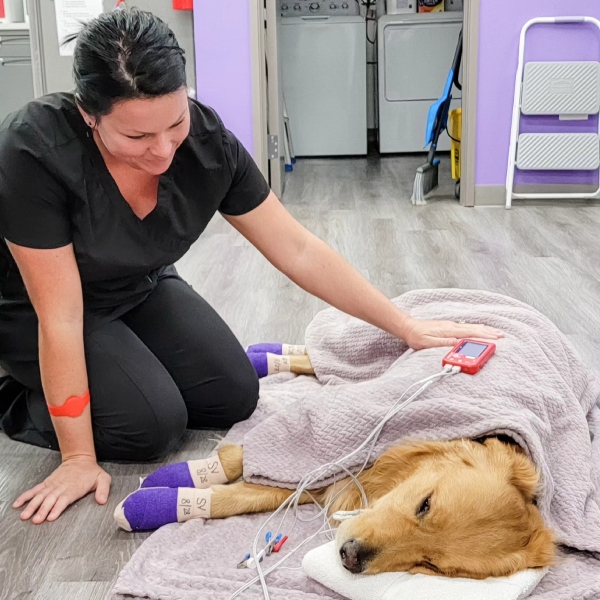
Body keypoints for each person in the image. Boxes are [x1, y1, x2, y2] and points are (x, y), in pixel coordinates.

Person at [0, 9, 502, 525]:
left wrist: (406, 326)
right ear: (89, 115)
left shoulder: (206, 143)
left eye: (175, 122)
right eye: (136, 138)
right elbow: (59, 316)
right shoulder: (34, 151)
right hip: (43, 311)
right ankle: (20, 394)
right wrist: (78, 457)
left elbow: (298, 250)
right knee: (151, 426)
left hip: (138, 286)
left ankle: (127, 369)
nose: (164, 149)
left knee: (233, 394)